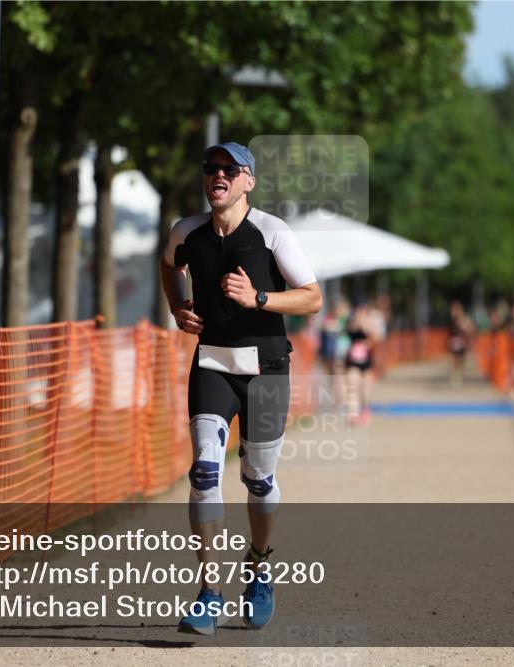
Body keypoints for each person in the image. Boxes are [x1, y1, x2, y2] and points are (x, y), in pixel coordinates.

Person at [160, 142, 322, 634]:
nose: (219, 176)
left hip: (267, 368)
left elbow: (313, 298)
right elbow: (169, 265)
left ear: (249, 180)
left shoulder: (272, 233)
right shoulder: (186, 232)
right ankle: (209, 593)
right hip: (212, 362)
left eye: (231, 170)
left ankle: (259, 566)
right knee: (204, 471)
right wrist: (177, 304)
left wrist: (260, 298)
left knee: (258, 479)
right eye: (212, 169)